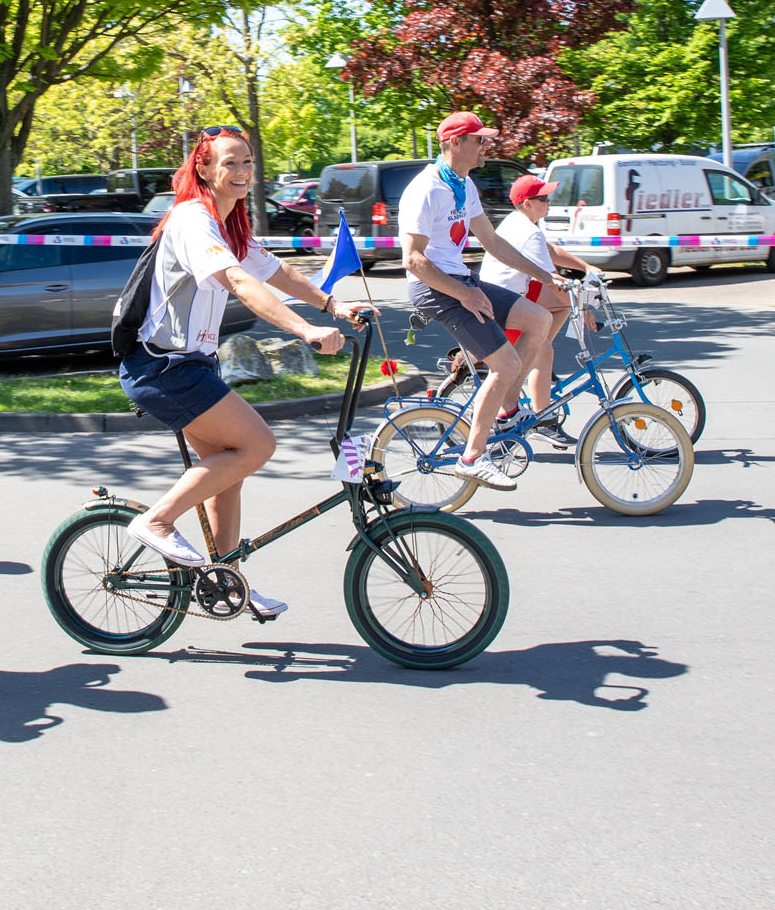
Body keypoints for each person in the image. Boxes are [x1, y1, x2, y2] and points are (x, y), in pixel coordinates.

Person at [118, 125, 373, 621]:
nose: (241, 171)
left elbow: (275, 272)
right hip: (162, 366)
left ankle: (223, 581)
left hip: (189, 366)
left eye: (248, 162)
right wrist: (305, 330)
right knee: (257, 445)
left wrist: (333, 305)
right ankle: (157, 521)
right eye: (230, 163)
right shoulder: (193, 220)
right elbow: (237, 281)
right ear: (205, 170)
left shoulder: (230, 225)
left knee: (227, 475)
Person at [398, 112, 560, 491]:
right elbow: (413, 260)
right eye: (479, 140)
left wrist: (544, 275)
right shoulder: (426, 189)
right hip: (434, 287)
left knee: (539, 319)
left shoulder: (464, 185)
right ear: (455, 143)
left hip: (461, 279)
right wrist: (465, 293)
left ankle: (505, 411)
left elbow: (492, 241)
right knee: (505, 362)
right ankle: (472, 457)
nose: (487, 146)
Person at [475, 173, 602, 447]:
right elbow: (554, 281)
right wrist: (585, 304)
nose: (549, 202)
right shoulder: (527, 231)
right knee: (545, 349)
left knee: (546, 341)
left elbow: (551, 251)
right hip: (502, 304)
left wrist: (586, 267)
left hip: (509, 297)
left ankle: (533, 364)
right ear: (528, 203)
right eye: (543, 198)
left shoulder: (519, 222)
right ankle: (542, 419)